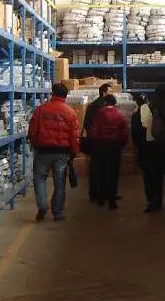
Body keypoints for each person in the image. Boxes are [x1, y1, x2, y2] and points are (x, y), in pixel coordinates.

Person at [27, 82, 79, 222]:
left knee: (39, 178)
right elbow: (74, 136)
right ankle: (58, 212)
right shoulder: (70, 112)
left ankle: (43, 205)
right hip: (62, 153)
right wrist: (73, 153)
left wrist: (36, 144)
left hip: (43, 151)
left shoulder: (41, 110)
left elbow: (32, 131)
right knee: (60, 182)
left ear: (52, 94)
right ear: (65, 96)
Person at [135, 84, 165, 213]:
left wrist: (140, 146)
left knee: (153, 176)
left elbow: (136, 129)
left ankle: (154, 201)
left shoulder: (145, 108)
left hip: (150, 147)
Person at [88, 94, 129, 210]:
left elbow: (94, 130)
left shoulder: (100, 113)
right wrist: (122, 144)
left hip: (101, 146)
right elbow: (124, 131)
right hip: (114, 146)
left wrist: (95, 143)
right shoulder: (119, 114)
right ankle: (112, 201)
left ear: (105, 102)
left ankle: (100, 198)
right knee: (113, 173)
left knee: (101, 172)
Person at [82, 83, 113, 203]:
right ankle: (103, 193)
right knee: (105, 168)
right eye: (110, 92)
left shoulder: (91, 105)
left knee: (95, 168)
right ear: (104, 93)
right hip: (104, 141)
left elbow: (86, 124)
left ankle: (93, 193)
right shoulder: (105, 107)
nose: (112, 94)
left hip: (94, 141)